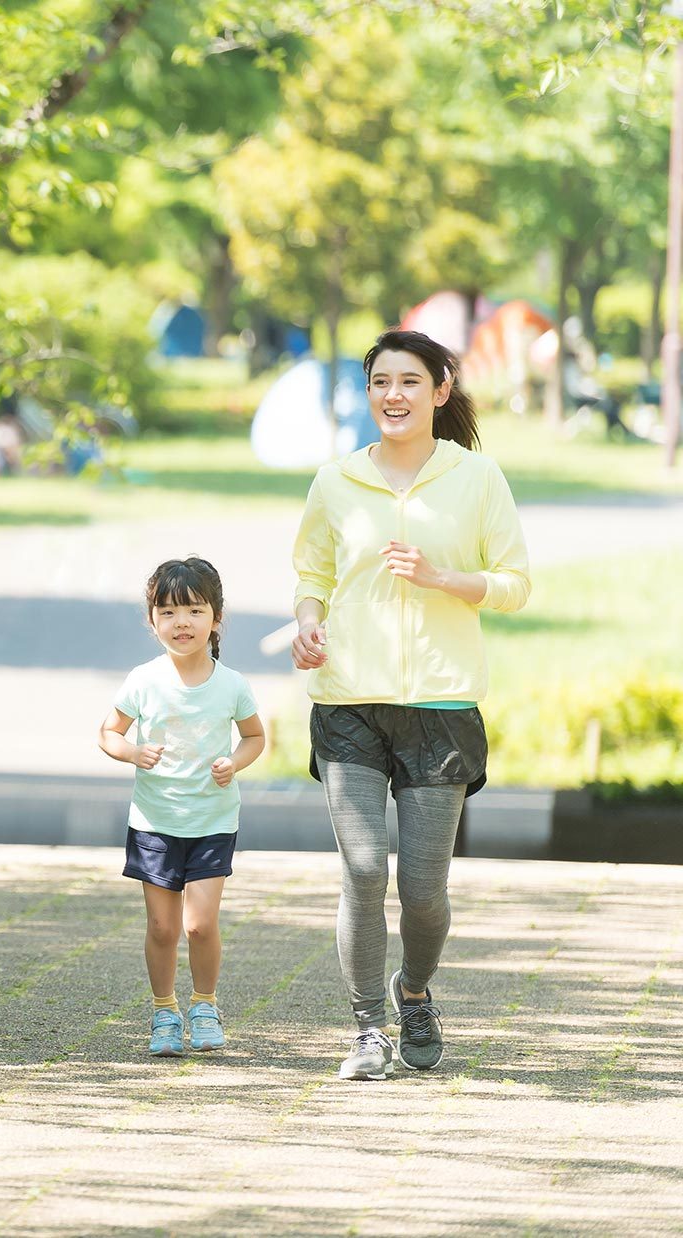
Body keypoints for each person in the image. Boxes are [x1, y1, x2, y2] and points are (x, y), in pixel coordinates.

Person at [291, 328, 531, 1081]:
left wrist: (442, 576)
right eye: (379, 383)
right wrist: (307, 624)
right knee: (364, 869)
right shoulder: (334, 480)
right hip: (348, 703)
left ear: (440, 390)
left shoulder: (477, 478)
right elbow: (312, 573)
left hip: (441, 704)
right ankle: (366, 1029)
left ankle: (415, 992)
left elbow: (516, 584)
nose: (392, 395)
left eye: (407, 381)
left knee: (423, 891)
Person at [99, 558, 265, 1056]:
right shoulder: (143, 680)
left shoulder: (231, 683)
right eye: (168, 611)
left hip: (213, 820)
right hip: (155, 821)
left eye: (194, 610)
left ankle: (205, 1004)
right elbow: (109, 732)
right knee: (163, 927)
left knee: (200, 924)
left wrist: (232, 763)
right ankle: (164, 1011)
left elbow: (255, 738)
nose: (182, 622)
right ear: (153, 621)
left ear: (216, 619)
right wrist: (132, 752)